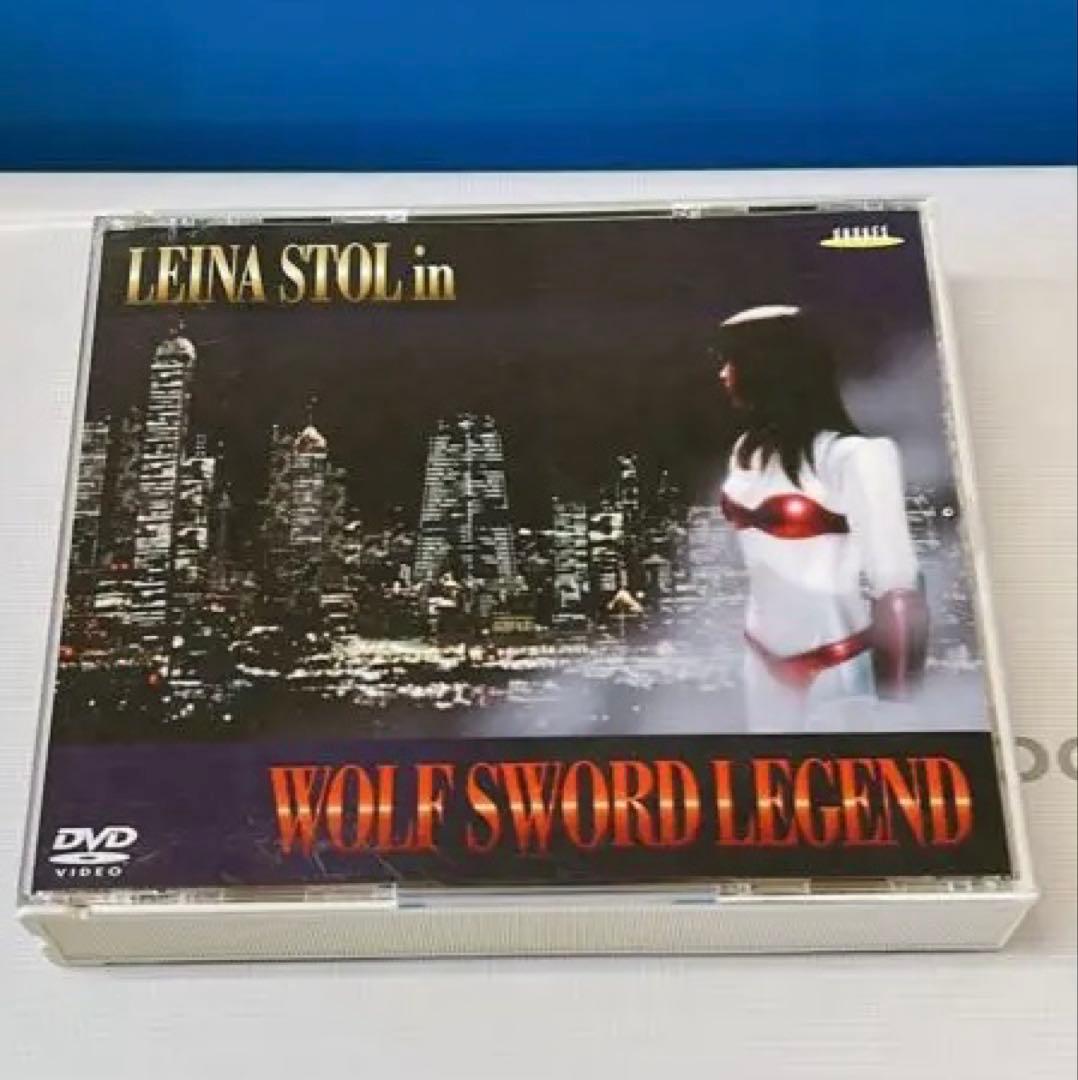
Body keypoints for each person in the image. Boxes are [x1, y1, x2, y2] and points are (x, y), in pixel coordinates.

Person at [716, 305, 928, 731]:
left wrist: (898, 702)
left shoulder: (857, 456)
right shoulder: (746, 452)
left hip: (836, 663)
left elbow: (897, 586)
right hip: (759, 660)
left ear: (769, 366)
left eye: (733, 360)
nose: (723, 374)